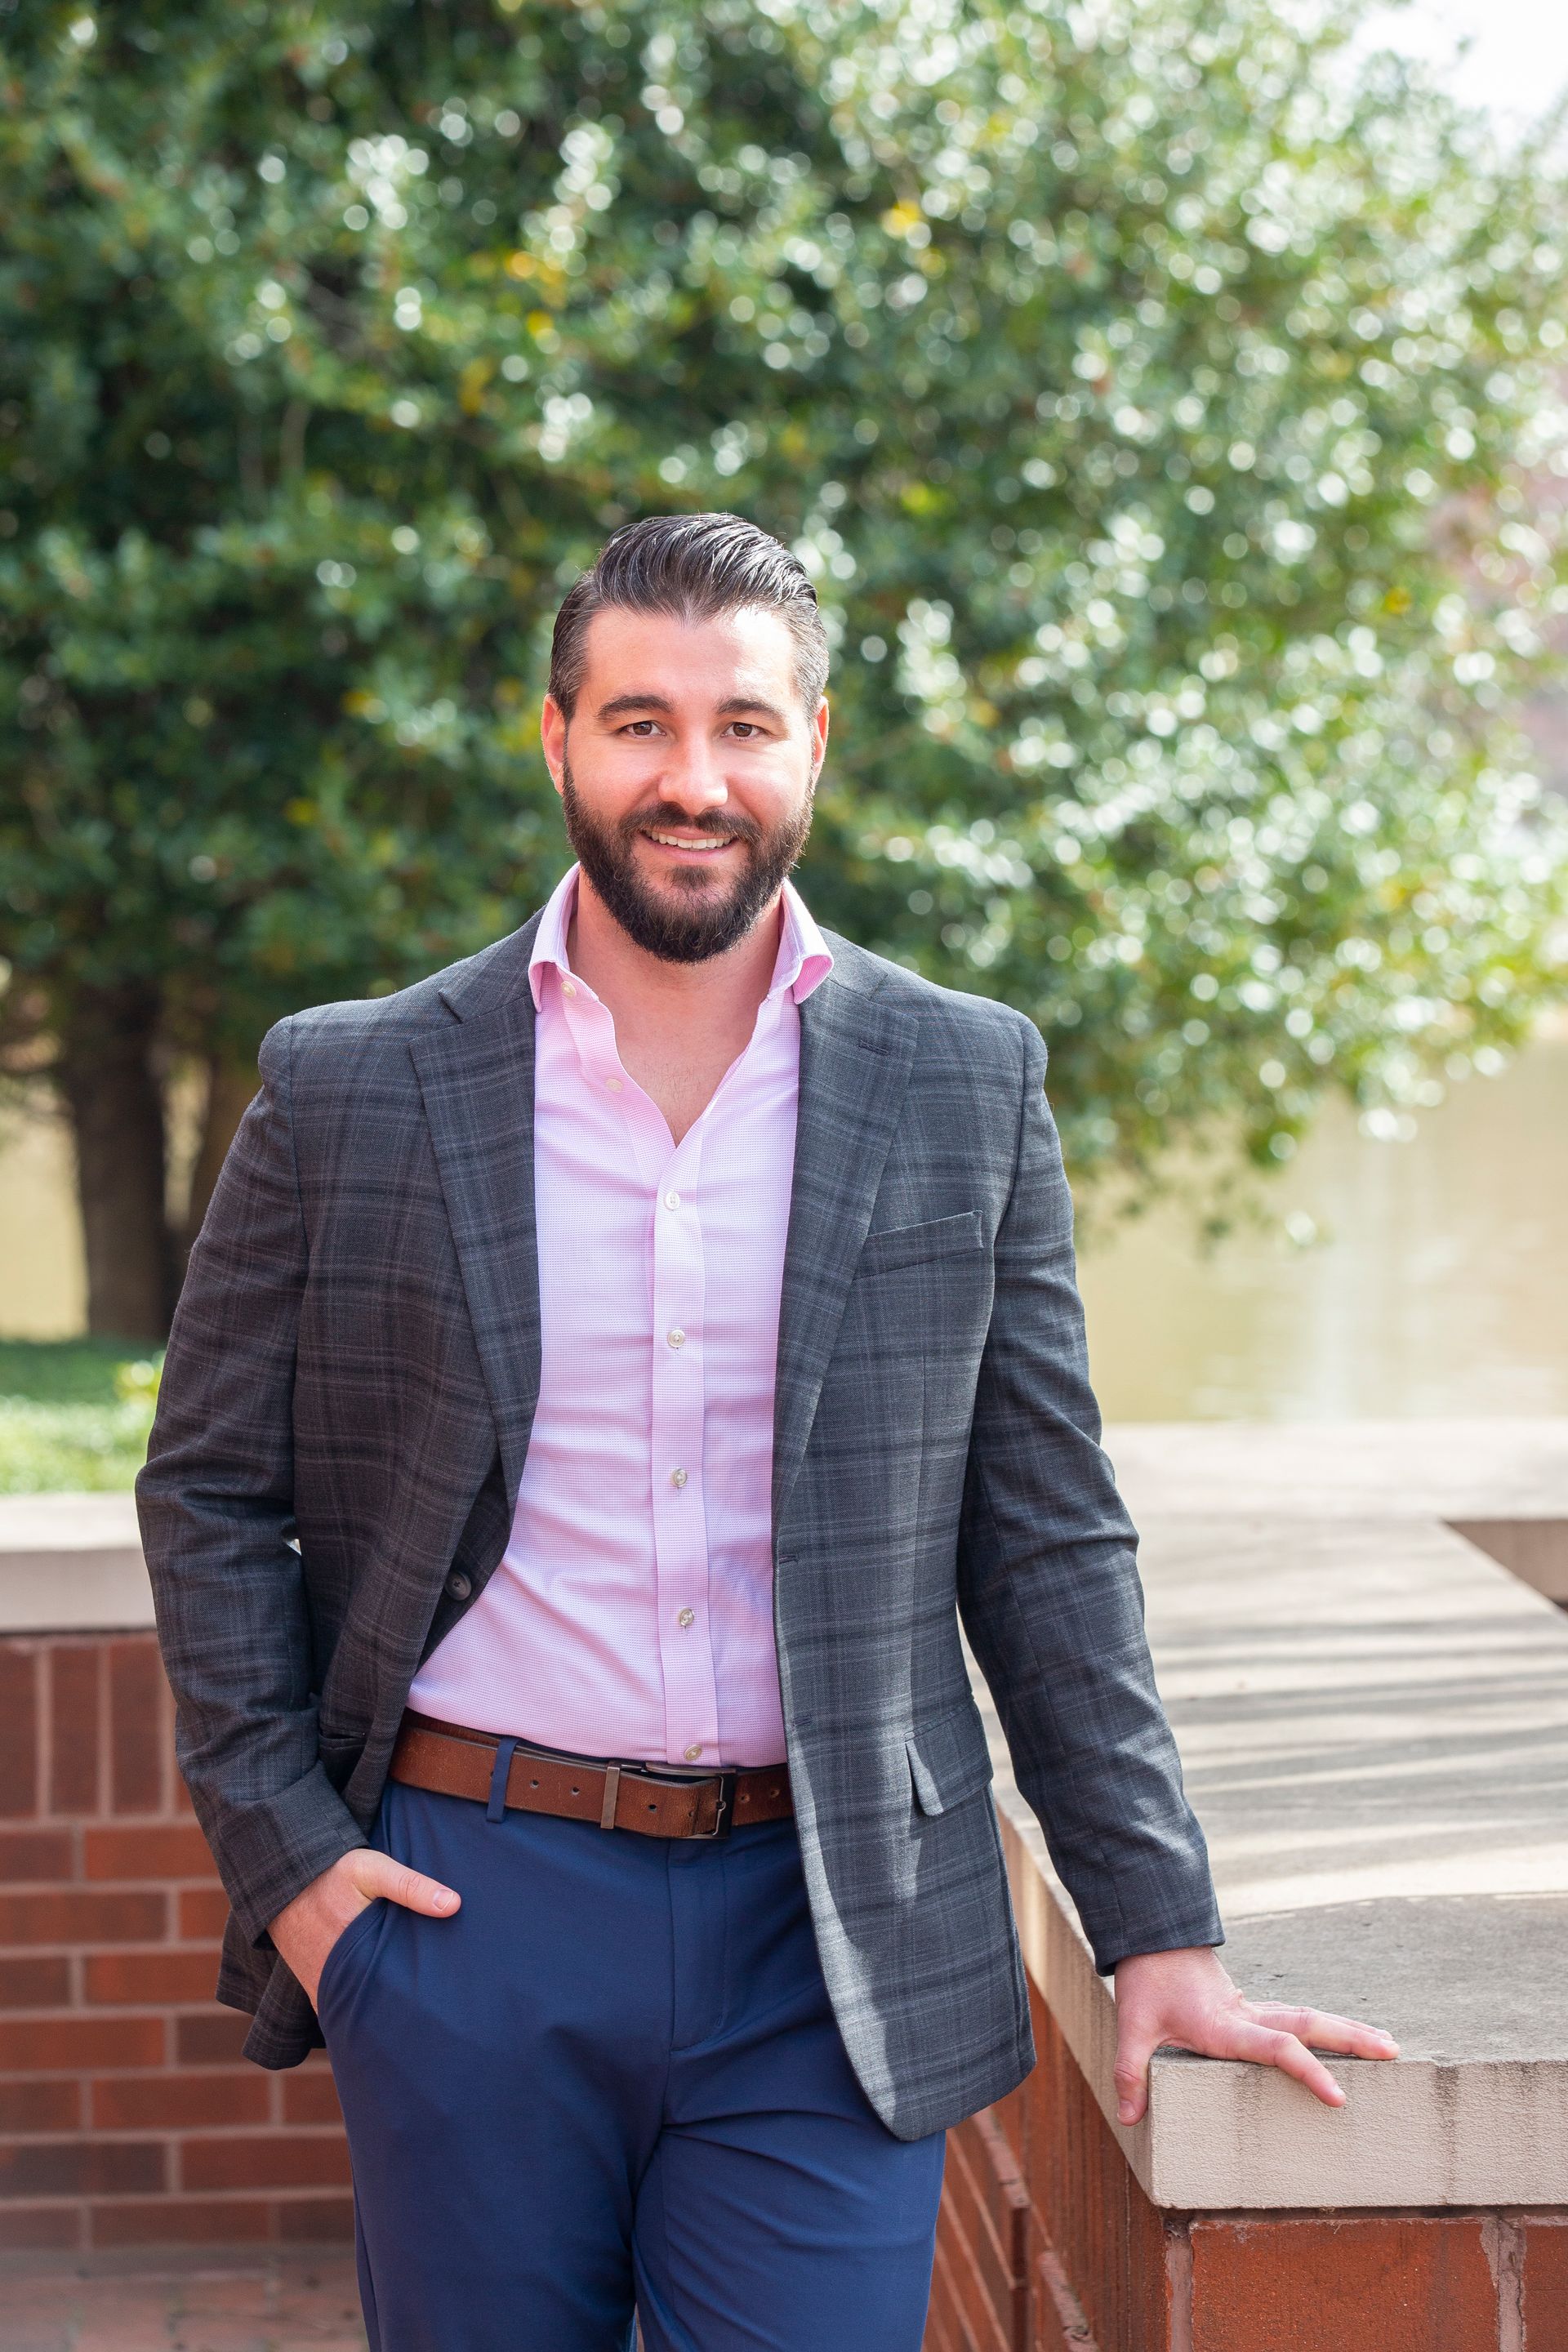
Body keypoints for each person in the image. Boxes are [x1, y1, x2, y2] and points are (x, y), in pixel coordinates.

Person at [137, 512, 1396, 2352]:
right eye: (638, 723)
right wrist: (296, 1869)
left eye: (740, 724)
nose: (693, 779)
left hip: (832, 1932)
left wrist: (1159, 1928)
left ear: (814, 743)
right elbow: (209, 1489)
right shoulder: (353, 1084)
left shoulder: (965, 1079)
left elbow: (1046, 1533)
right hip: (468, 1907)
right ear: (556, 739)